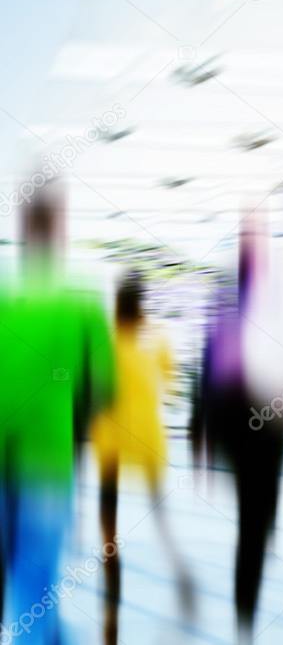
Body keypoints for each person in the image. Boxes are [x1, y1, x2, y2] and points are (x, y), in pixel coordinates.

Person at [0, 181, 114, 643]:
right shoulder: (82, 301)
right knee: (36, 582)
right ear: (60, 228)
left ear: (22, 227)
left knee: (21, 583)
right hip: (48, 460)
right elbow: (104, 389)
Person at [190, 216, 283, 644]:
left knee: (254, 526)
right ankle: (244, 620)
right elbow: (210, 368)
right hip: (257, 432)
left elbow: (206, 369)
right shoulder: (256, 304)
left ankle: (244, 618)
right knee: (254, 526)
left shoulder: (241, 303)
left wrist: (200, 434)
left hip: (252, 429)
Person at [93, 270, 194, 644]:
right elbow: (167, 386)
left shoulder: (104, 340)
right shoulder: (158, 339)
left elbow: (95, 387)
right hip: (148, 437)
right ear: (142, 302)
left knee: (109, 523)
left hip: (110, 438)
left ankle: (111, 595)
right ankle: (179, 569)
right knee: (160, 516)